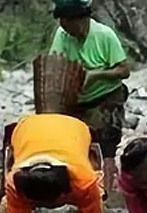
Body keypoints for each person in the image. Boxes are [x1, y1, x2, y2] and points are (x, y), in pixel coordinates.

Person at [0, 113, 107, 213]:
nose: (49, 205)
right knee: (6, 208)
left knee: (98, 209)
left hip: (74, 127)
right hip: (26, 128)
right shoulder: (15, 184)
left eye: (52, 201)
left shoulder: (84, 182)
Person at [48, 0, 131, 195]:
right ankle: (81, 187)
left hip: (106, 95)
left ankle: (106, 193)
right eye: (62, 23)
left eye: (68, 23)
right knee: (77, 142)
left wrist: (96, 75)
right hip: (77, 98)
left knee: (106, 144)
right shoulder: (62, 35)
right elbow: (54, 64)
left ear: (81, 19)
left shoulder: (104, 35)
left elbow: (124, 70)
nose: (64, 28)